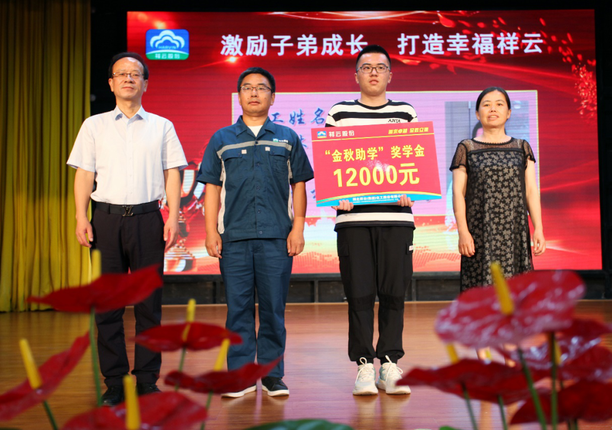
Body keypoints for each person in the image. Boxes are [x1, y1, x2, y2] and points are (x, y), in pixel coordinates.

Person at [67, 52, 187, 406]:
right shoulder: (94, 125)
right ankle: (115, 382)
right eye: (121, 74)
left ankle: (147, 380)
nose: (128, 79)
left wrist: (173, 216)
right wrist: (81, 216)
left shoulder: (162, 126)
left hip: (148, 219)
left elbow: (173, 172)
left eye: (135, 74)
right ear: (111, 83)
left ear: (145, 83)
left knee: (150, 305)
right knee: (108, 306)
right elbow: (84, 174)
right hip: (105, 220)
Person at [197, 67, 313, 398]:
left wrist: (298, 227)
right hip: (234, 238)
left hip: (277, 237)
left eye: (261, 88)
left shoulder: (287, 137)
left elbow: (299, 184)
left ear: (272, 97)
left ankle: (273, 375)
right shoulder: (222, 139)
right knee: (238, 310)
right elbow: (212, 188)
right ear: (239, 96)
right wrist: (210, 231)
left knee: (274, 309)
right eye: (247, 87)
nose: (254, 93)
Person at [325, 45, 416, 396]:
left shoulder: (405, 112)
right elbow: (332, 165)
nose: (374, 72)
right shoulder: (340, 113)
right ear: (356, 75)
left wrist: (413, 189)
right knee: (359, 293)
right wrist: (337, 193)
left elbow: (415, 162)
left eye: (380, 67)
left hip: (397, 218)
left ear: (391, 74)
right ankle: (364, 364)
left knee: (394, 293)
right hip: (353, 221)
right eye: (366, 67)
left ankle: (390, 363)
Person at [450, 86, 546, 292]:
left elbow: (531, 190)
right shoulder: (466, 148)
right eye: (486, 105)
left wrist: (538, 227)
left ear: (508, 112)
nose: (493, 109)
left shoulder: (522, 147)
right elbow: (458, 193)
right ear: (478, 114)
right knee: (482, 292)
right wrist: (463, 232)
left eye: (499, 104)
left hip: (515, 232)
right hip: (479, 232)